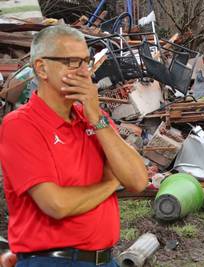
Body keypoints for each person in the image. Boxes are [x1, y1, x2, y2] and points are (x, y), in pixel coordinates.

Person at [0, 25, 148, 266]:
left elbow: (138, 181)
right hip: (52, 261)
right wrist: (111, 182)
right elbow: (57, 205)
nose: (84, 72)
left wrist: (97, 118)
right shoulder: (21, 125)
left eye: (86, 62)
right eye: (72, 62)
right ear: (42, 68)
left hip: (105, 259)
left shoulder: (92, 118)